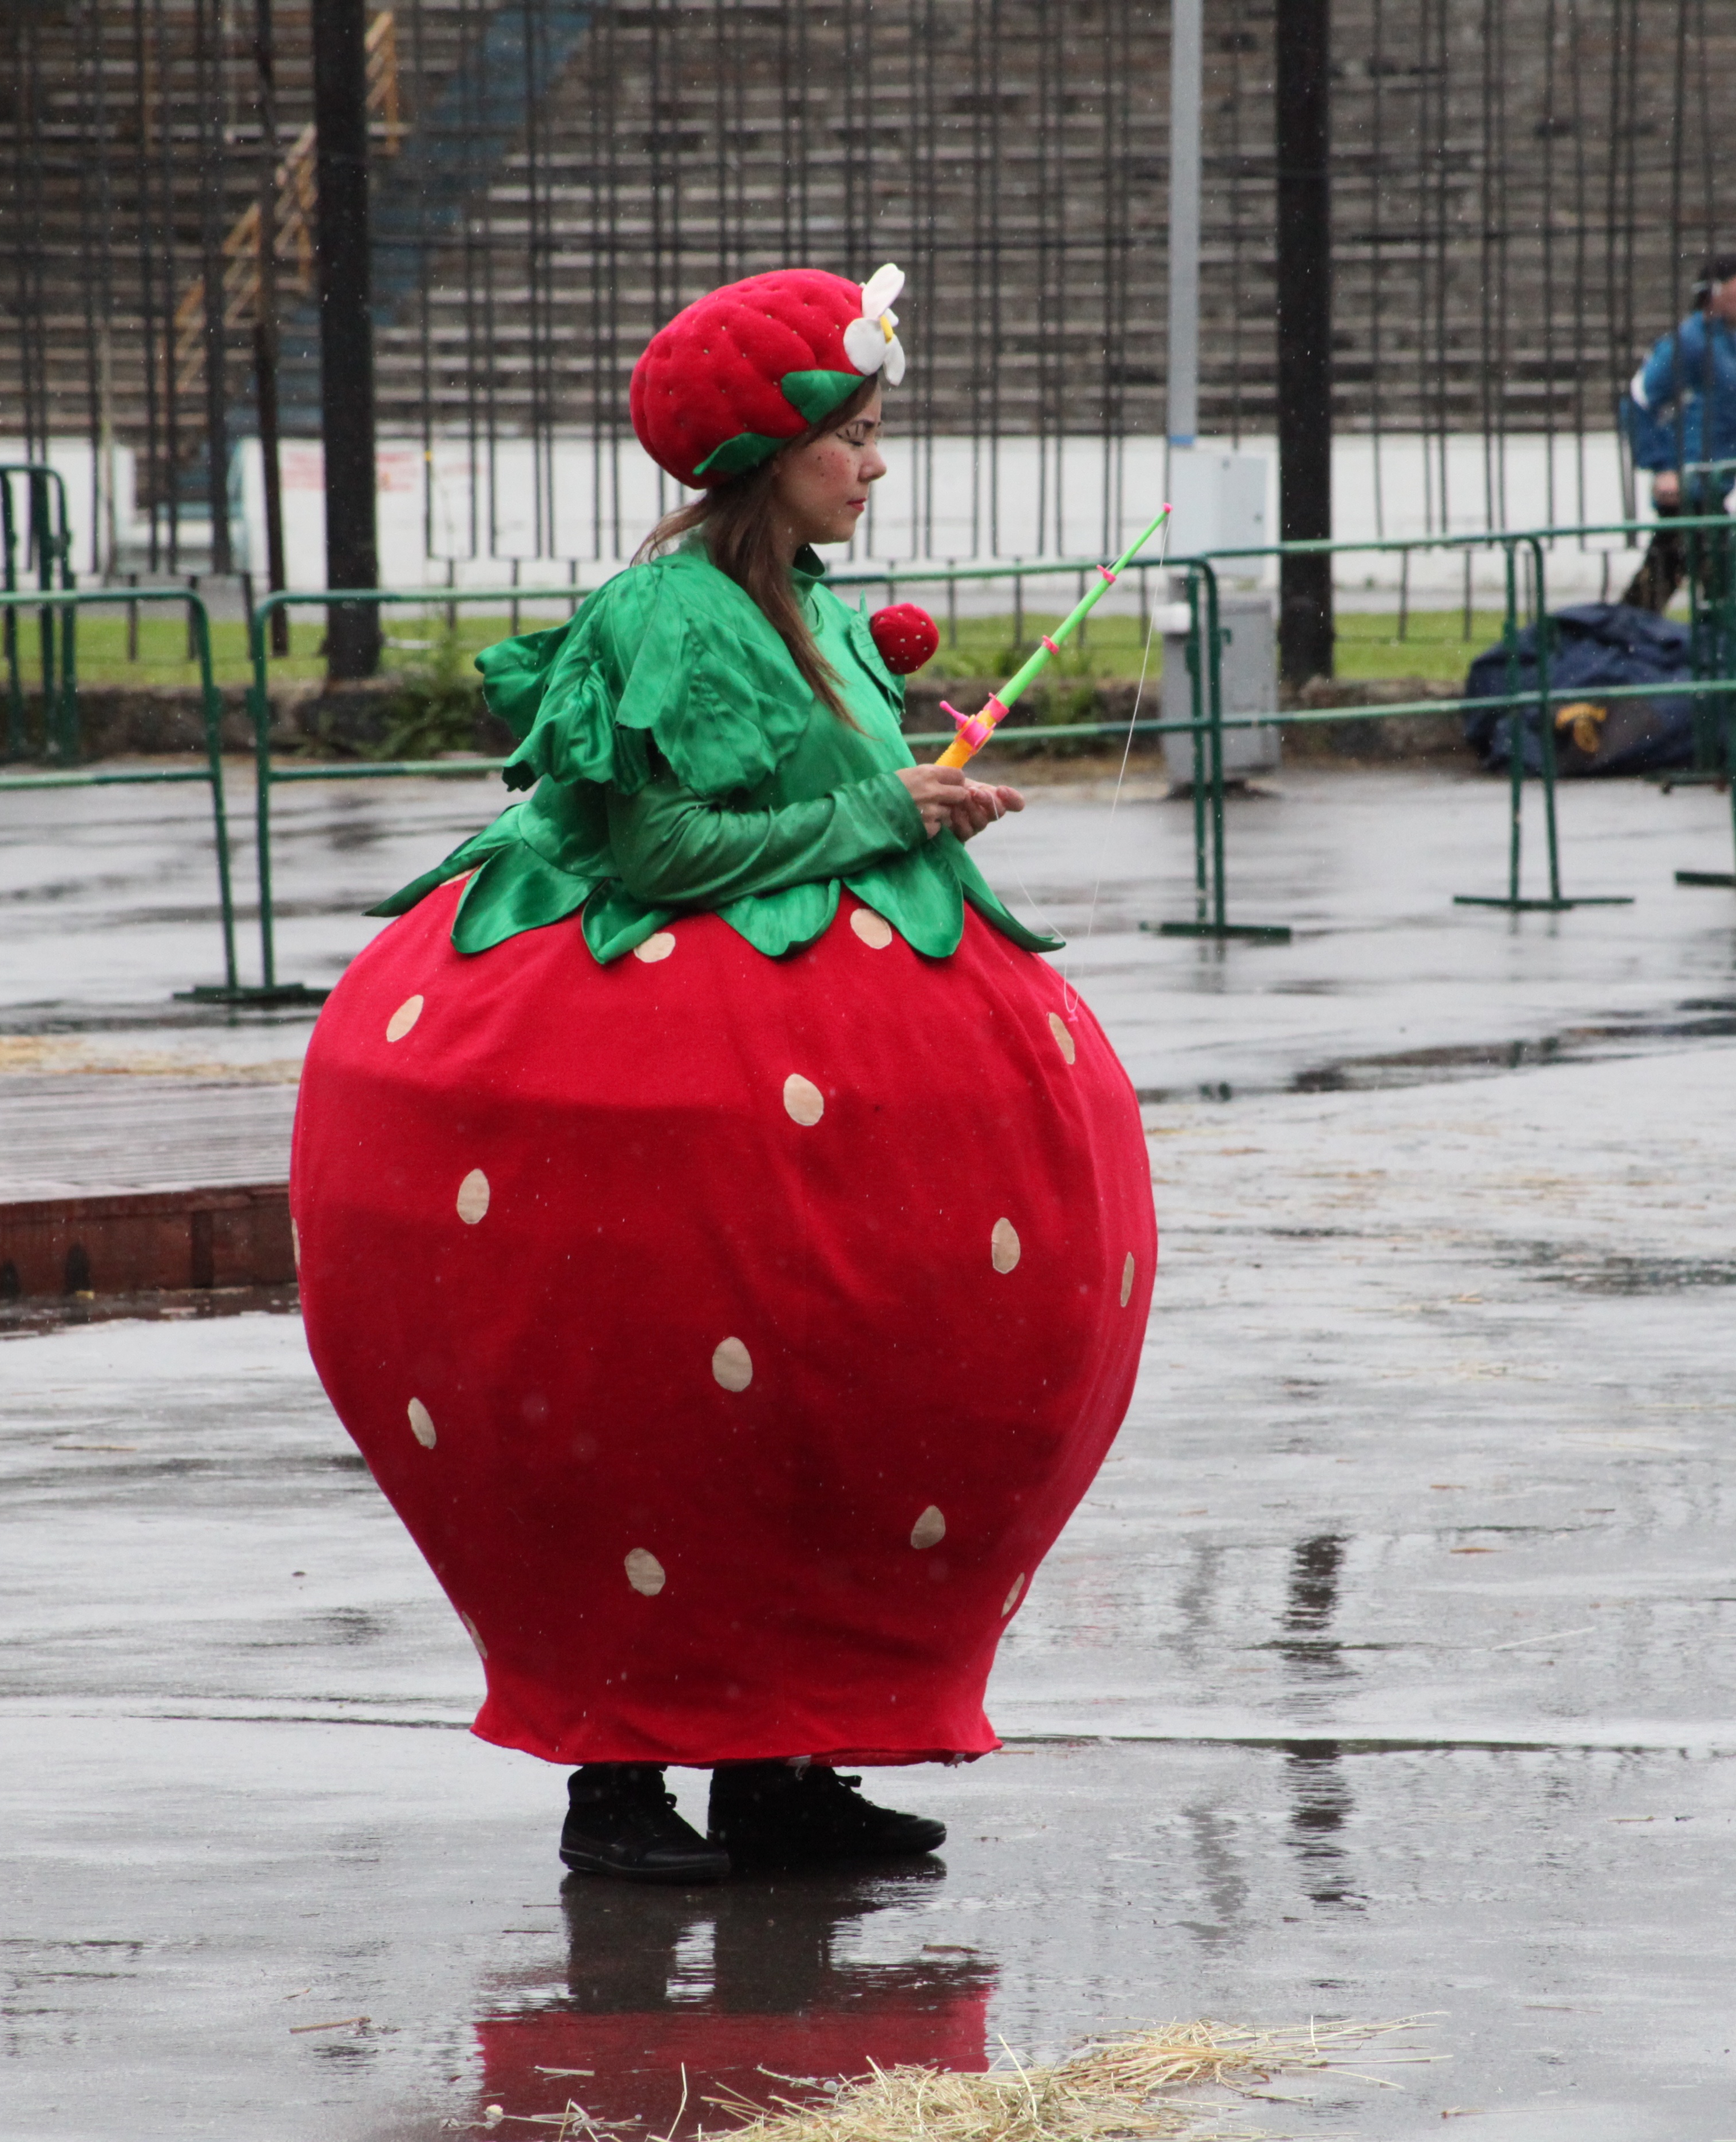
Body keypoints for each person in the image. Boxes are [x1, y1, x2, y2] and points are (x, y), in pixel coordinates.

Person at [287, 266, 1159, 1886]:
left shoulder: (814, 601)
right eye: (861, 437)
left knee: (806, 1403)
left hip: (812, 1061)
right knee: (642, 1400)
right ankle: (613, 1791)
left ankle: (780, 1766)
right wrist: (889, 815)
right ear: (777, 450)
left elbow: (821, 778)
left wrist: (914, 767)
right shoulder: (667, 613)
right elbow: (671, 845)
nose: (879, 469)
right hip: (649, 1084)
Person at [1620, 253, 1736, 614]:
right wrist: (1662, 467)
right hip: (1689, 492)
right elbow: (1637, 400)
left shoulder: (1734, 345)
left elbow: (1724, 414)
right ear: (1717, 292)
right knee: (1720, 591)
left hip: (1712, 488)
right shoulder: (1691, 341)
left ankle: (1618, 647)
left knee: (1664, 590)